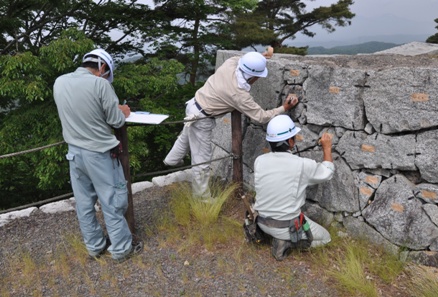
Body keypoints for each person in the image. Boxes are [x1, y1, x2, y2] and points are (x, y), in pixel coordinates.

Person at [163, 51, 298, 199]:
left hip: (193, 105)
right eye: (258, 76)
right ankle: (202, 199)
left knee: (186, 136)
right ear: (253, 76)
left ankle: (171, 160)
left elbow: (242, 59)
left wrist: (258, 58)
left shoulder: (230, 64)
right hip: (202, 119)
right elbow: (260, 116)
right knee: (201, 161)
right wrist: (284, 108)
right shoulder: (238, 94)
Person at [53, 48, 143, 262]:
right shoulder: (100, 84)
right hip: (99, 154)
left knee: (84, 203)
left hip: (74, 153)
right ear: (102, 67)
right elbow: (115, 121)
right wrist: (124, 112)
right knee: (111, 201)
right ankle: (121, 249)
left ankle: (95, 246)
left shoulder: (60, 81)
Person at [253, 115, 335, 261]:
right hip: (284, 227)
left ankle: (273, 236)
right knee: (326, 238)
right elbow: (327, 172)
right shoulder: (302, 164)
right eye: (294, 137)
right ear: (290, 141)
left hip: (261, 222)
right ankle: (286, 242)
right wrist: (327, 148)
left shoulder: (259, 161)